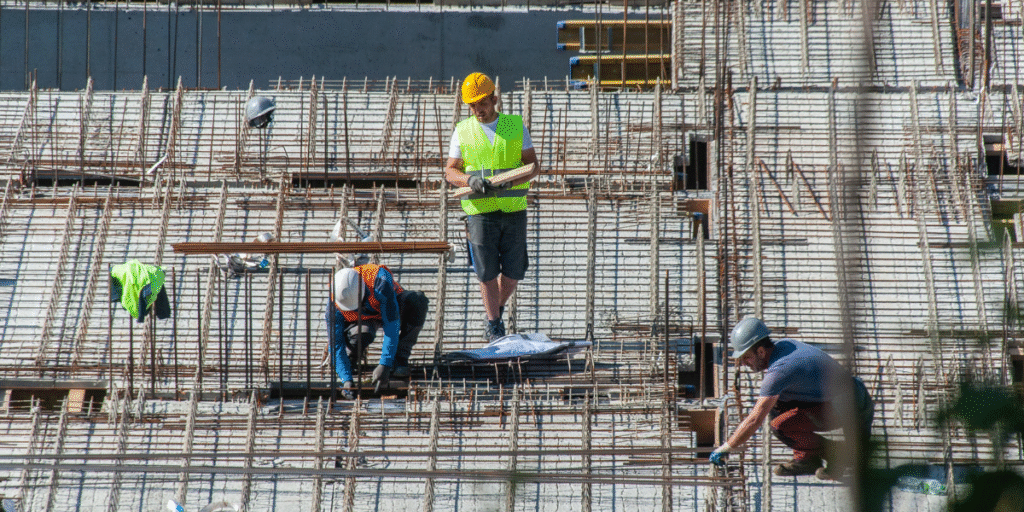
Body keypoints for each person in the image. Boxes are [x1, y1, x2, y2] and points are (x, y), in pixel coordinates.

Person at [709, 317, 874, 479]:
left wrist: (727, 447)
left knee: (780, 425)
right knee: (776, 405)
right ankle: (807, 459)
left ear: (761, 351)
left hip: (852, 409)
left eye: (747, 357)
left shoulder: (778, 372)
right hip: (853, 395)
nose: (744, 363)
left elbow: (754, 419)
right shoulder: (784, 345)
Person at [444, 72, 541, 342]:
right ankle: (494, 323)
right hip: (480, 212)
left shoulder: (515, 126)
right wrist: (469, 179)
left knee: (514, 271)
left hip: (512, 209)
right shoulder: (462, 131)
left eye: (482, 104)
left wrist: (512, 181)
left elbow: (534, 166)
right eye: (472, 106)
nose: (478, 110)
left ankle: (494, 306)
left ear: (494, 100)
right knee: (486, 271)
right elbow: (450, 172)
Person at [327, 264, 428, 398]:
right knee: (362, 335)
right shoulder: (335, 303)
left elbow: (391, 326)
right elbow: (335, 345)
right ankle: (351, 359)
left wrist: (385, 363)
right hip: (362, 321)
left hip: (390, 307)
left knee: (418, 301)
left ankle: (400, 359)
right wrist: (346, 380)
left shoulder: (380, 281)